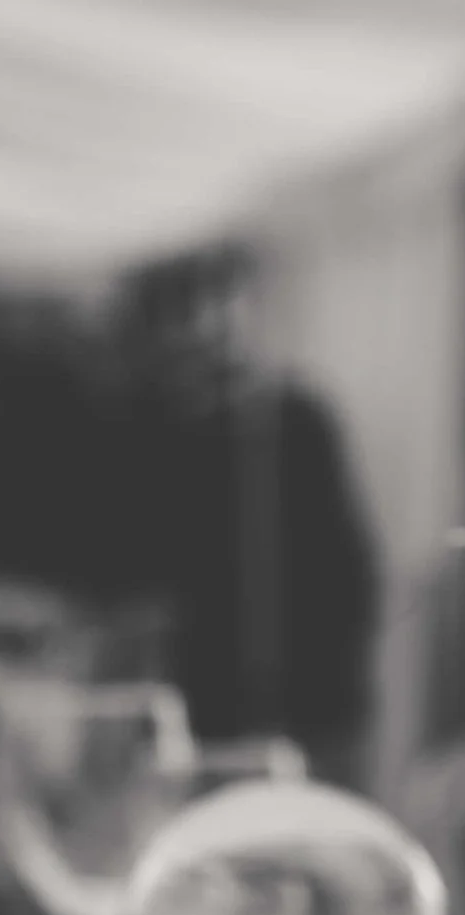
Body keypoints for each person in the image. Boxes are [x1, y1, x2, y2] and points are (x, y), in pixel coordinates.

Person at [115, 251, 380, 787]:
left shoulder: (295, 420)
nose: (205, 325)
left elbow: (348, 564)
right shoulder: (165, 430)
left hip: (303, 697)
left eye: (218, 301)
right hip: (214, 697)